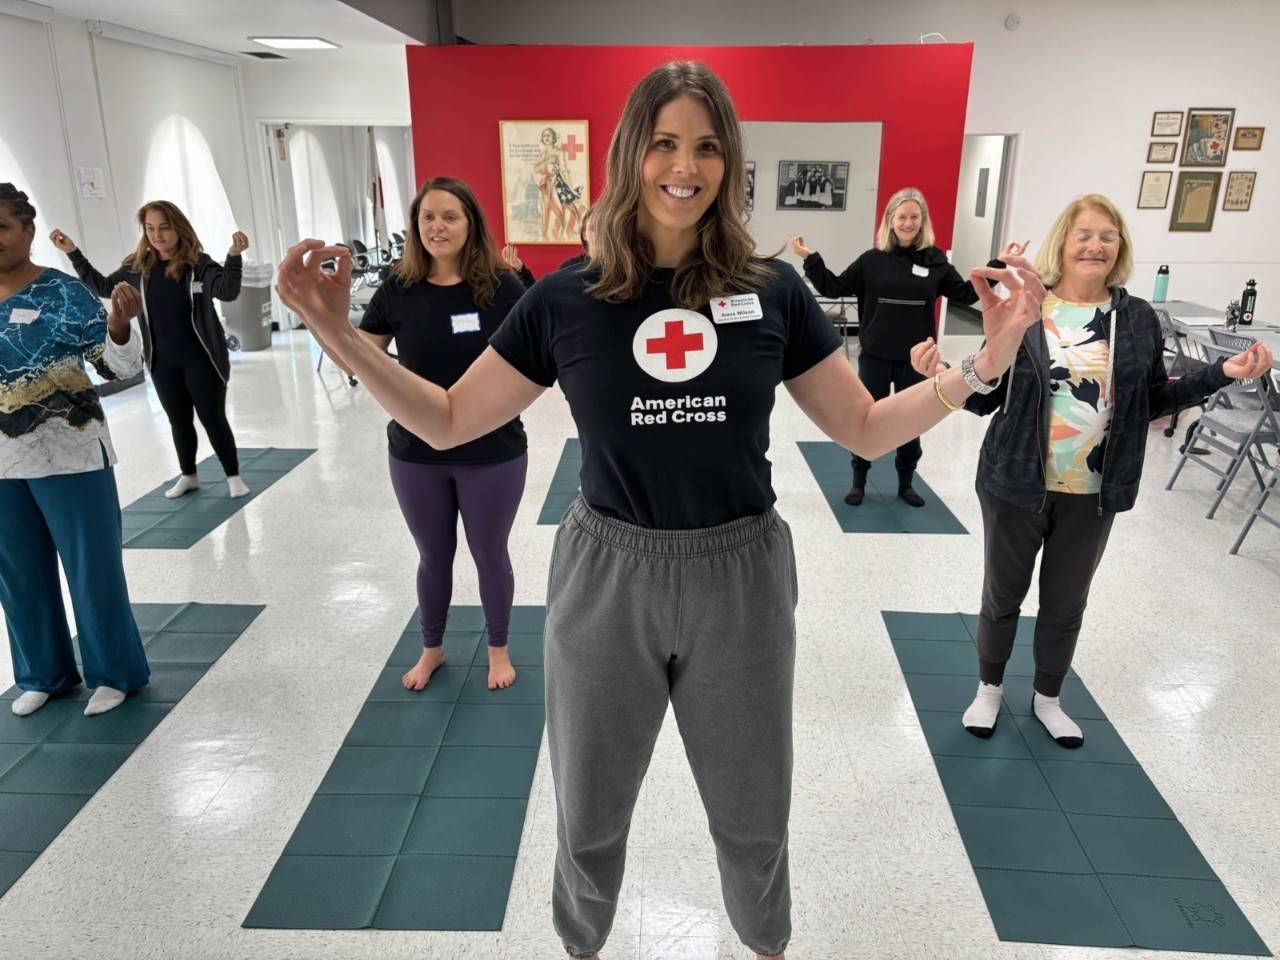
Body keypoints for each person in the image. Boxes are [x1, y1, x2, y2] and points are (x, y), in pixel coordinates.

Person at [277, 61, 1044, 960]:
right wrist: (334, 331)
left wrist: (987, 360)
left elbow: (867, 429)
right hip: (609, 574)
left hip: (742, 577)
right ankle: (582, 944)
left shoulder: (775, 290)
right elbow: (447, 421)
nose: (687, 165)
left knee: (755, 815)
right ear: (631, 151)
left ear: (730, 163)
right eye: (668, 142)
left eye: (709, 146)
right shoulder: (567, 296)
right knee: (589, 813)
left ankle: (763, 945)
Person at [909, 194, 1272, 747]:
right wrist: (944, 374)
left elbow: (1152, 399)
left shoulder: (1136, 318)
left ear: (1119, 248)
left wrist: (1221, 371)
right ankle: (989, 688)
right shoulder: (1028, 308)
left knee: (1065, 602)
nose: (1095, 245)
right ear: (1064, 242)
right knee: (1003, 595)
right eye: (1083, 235)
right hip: (1014, 482)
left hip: (1094, 490)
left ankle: (1048, 698)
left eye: (1107, 236)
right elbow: (988, 395)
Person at [327, 177, 528, 692]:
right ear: (416, 227)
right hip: (416, 452)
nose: (438, 227)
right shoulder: (398, 287)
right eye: (428, 218)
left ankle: (498, 649)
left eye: (450, 216)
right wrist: (326, 320)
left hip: (493, 450)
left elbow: (540, 349)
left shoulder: (501, 286)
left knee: (490, 552)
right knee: (433, 555)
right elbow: (356, 359)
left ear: (470, 224)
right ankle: (431, 648)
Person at [0, 184, 151, 718]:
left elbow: (118, 368)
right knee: (17, 575)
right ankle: (44, 673)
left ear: (27, 232)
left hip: (71, 455)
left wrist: (118, 324)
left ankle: (114, 673)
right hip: (2, 464)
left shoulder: (61, 293)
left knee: (91, 570)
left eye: (1, 228)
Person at [791, 187, 985, 507]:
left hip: (918, 360)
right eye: (902, 217)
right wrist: (809, 258)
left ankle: (906, 484)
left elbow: (965, 295)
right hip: (876, 357)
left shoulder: (935, 262)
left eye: (914, 217)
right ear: (890, 221)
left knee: (911, 423)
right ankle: (858, 482)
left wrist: (996, 267)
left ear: (922, 222)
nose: (908, 223)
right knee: (865, 421)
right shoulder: (872, 261)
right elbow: (834, 286)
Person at [50, 202, 251, 499]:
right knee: (178, 421)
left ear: (178, 228)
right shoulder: (138, 268)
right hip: (162, 362)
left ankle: (233, 476)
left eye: (164, 227)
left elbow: (227, 291)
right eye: (150, 228)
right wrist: (72, 253)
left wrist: (234, 257)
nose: (157, 235)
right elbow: (103, 286)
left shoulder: (199, 264)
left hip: (202, 360)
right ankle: (189, 475)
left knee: (213, 419)